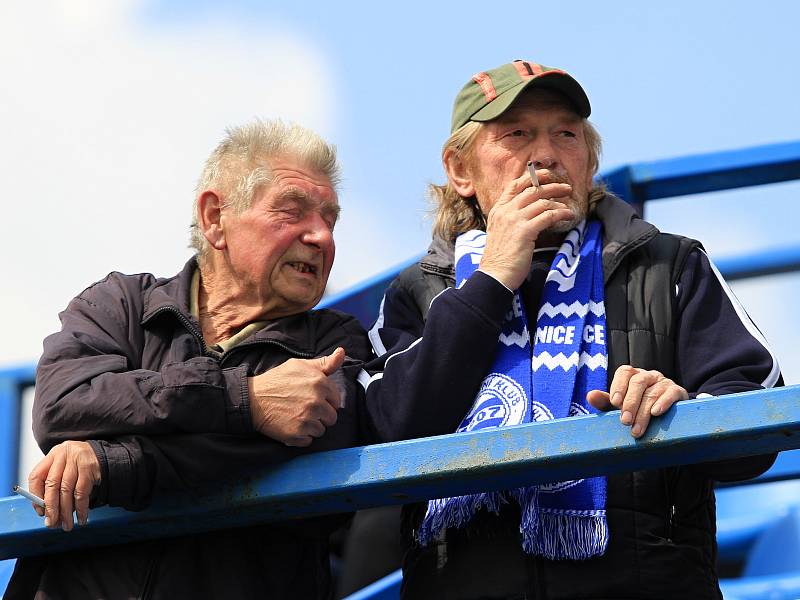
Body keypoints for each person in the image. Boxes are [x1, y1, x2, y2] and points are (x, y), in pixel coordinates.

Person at [5, 119, 474, 600]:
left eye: (330, 220)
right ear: (214, 218)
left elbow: (282, 452)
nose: (321, 237)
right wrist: (246, 400)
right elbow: (65, 406)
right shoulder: (121, 302)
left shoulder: (336, 344)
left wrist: (109, 462)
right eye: (292, 212)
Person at [364, 60, 782, 599]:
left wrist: (685, 408)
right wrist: (493, 281)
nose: (545, 155)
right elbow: (386, 431)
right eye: (516, 134)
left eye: (567, 133)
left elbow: (758, 427)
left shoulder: (668, 265)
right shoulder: (416, 294)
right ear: (460, 170)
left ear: (588, 161)